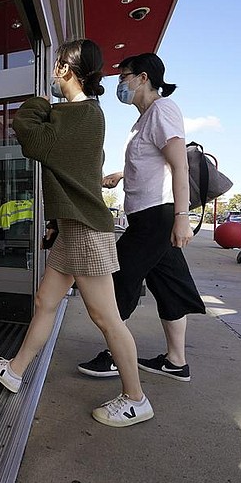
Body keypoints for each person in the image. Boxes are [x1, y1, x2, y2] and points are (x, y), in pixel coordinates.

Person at [0, 39, 153, 427]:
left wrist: (39, 100)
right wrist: (56, 221)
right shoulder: (81, 115)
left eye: (56, 66)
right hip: (72, 227)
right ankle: (16, 370)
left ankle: (136, 398)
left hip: (88, 230)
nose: (52, 74)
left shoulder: (82, 116)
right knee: (44, 301)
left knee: (106, 316)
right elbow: (76, 175)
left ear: (64, 70)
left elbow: (29, 134)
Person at [77, 53, 206, 382]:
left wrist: (181, 217)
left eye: (124, 77)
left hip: (157, 217)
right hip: (148, 215)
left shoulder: (163, 109)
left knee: (119, 279)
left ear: (144, 78)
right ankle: (177, 361)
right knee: (169, 286)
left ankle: (114, 356)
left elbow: (179, 165)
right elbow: (156, 161)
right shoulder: (144, 119)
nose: (120, 83)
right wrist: (123, 174)